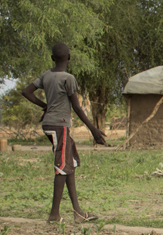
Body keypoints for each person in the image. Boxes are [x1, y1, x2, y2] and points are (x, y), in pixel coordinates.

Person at [22, 43, 106, 223]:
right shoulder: (68, 78)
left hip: (50, 124)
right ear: (69, 58)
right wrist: (93, 130)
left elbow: (26, 91)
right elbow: (76, 106)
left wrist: (45, 106)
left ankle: (78, 212)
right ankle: (54, 215)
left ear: (52, 58)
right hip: (60, 125)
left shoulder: (46, 75)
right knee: (62, 167)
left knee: (69, 164)